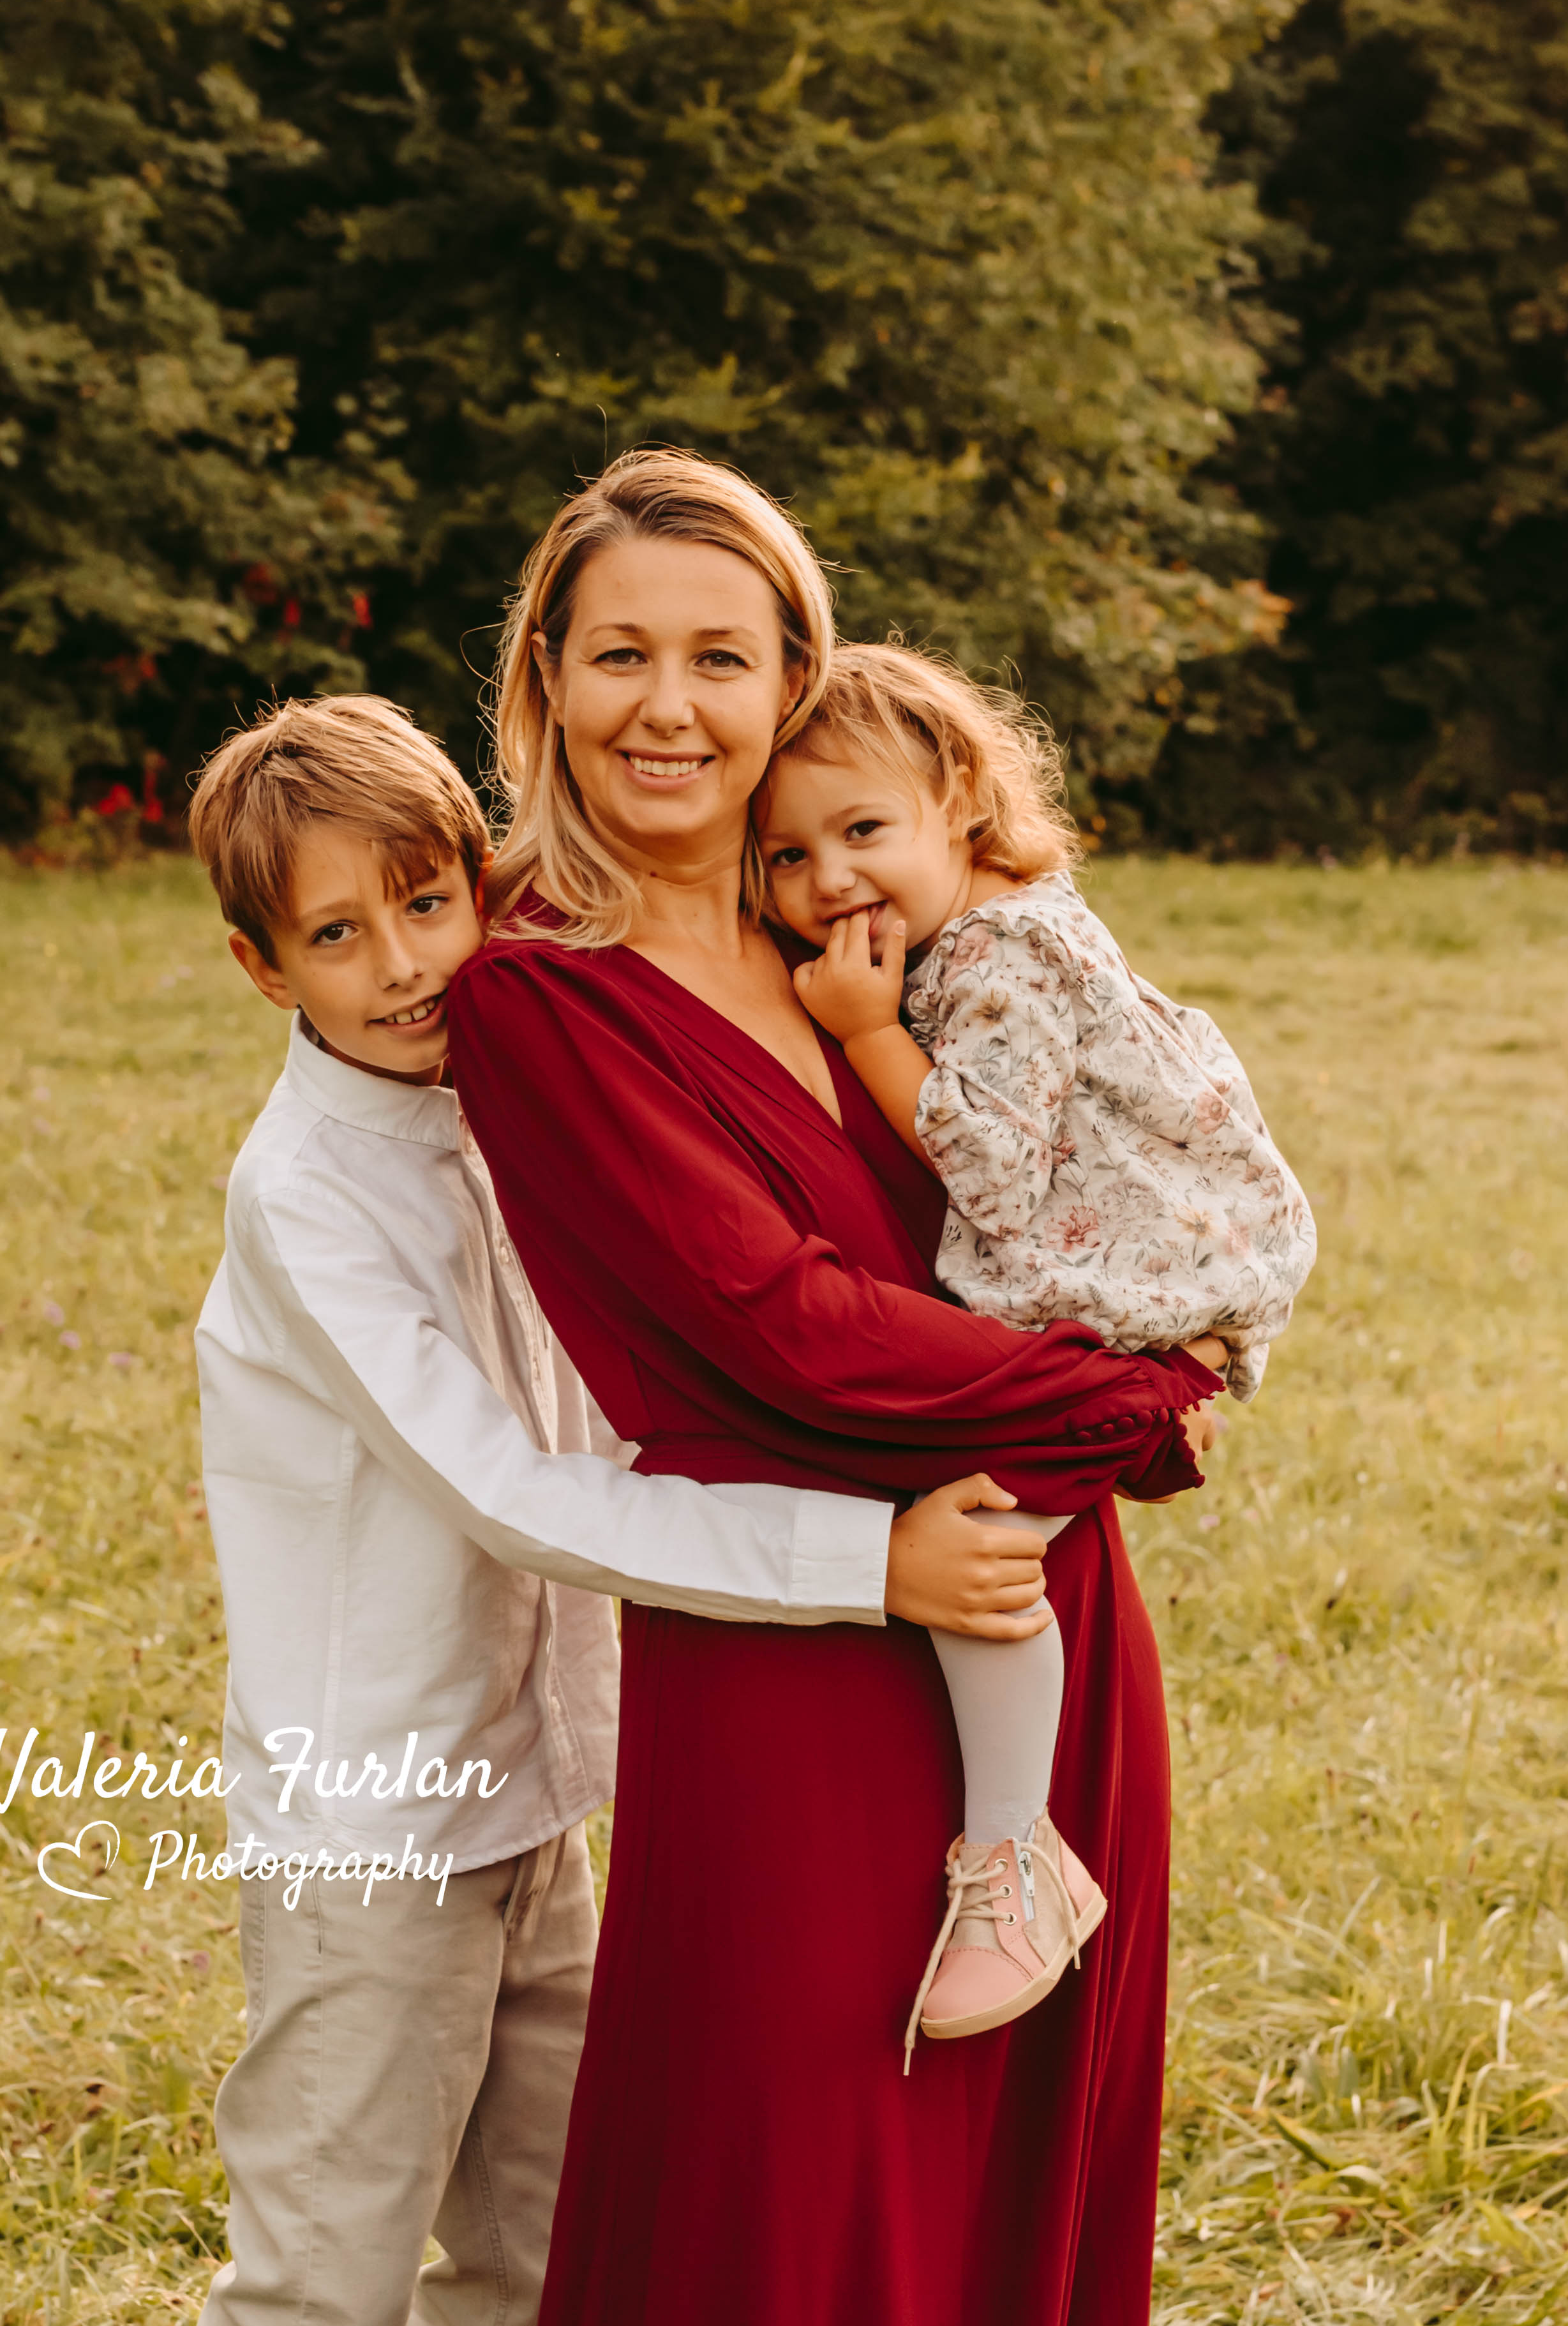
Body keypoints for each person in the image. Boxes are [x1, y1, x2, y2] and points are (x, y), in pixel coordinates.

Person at [446, 450, 1227, 2326]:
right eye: (619, 654)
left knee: (1010, 2172)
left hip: (1033, 1619)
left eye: (722, 658)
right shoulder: (535, 995)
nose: (668, 707)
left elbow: (1083, 1163)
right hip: (791, 1641)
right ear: (545, 676)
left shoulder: (876, 949)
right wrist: (1120, 1404)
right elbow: (778, 1322)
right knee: (787, 2180)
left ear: (792, 680)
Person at [182, 693, 1048, 2326]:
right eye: (338, 936)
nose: (405, 968)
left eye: (429, 905)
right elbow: (512, 1495)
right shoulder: (306, 1199)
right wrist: (876, 1561)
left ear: (480, 886)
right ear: (264, 967)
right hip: (366, 1840)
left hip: (532, 1804)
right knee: (323, 2279)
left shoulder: (511, 1095)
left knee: (544, 2257)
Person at [759, 640, 1317, 2050]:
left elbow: (990, 1174)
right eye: (787, 856)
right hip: (1144, 1277)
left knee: (988, 1524)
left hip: (1148, 1291)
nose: (830, 882)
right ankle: (1014, 1850)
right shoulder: (1001, 919)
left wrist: (870, 1029)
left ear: (957, 794)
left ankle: (1017, 1861)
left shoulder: (1000, 954)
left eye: (863, 831)